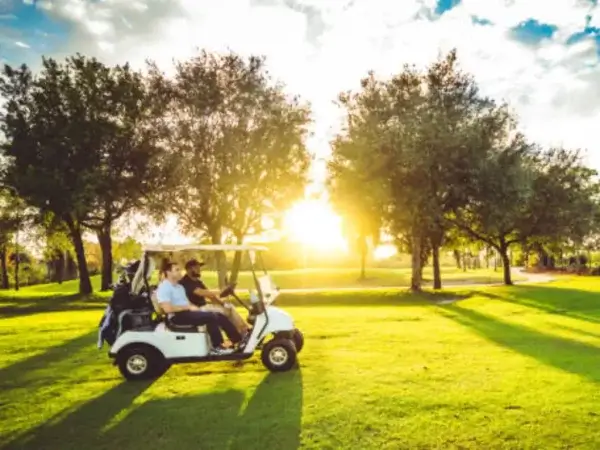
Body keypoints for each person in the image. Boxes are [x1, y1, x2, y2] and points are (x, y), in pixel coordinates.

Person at [156, 261, 242, 355]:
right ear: (168, 273)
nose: (180, 272)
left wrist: (195, 308)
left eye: (179, 269)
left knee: (218, 315)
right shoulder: (164, 287)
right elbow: (167, 309)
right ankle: (217, 347)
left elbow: (188, 303)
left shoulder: (179, 287)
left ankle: (237, 339)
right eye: (177, 270)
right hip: (176, 317)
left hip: (186, 313)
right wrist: (187, 307)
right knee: (211, 316)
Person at [179, 259, 250, 338]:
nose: (199, 270)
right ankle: (240, 335)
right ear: (189, 270)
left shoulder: (198, 282)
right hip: (196, 310)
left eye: (199, 267)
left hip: (204, 307)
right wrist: (220, 291)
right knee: (221, 314)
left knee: (230, 307)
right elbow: (200, 292)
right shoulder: (185, 282)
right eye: (196, 268)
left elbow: (211, 296)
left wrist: (223, 304)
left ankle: (244, 331)